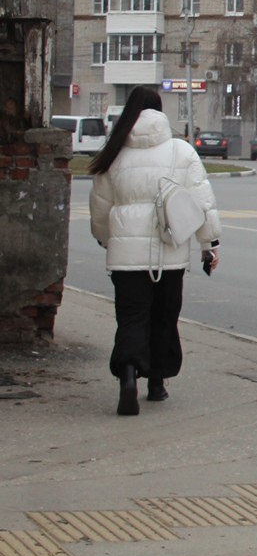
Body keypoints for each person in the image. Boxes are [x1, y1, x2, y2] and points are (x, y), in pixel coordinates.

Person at [88, 86, 222, 416]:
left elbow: (100, 210)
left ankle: (129, 375)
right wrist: (209, 246)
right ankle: (157, 383)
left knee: (132, 318)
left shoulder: (114, 153)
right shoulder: (181, 151)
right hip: (170, 253)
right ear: (160, 112)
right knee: (164, 316)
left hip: (125, 259)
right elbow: (201, 203)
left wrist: (108, 241)